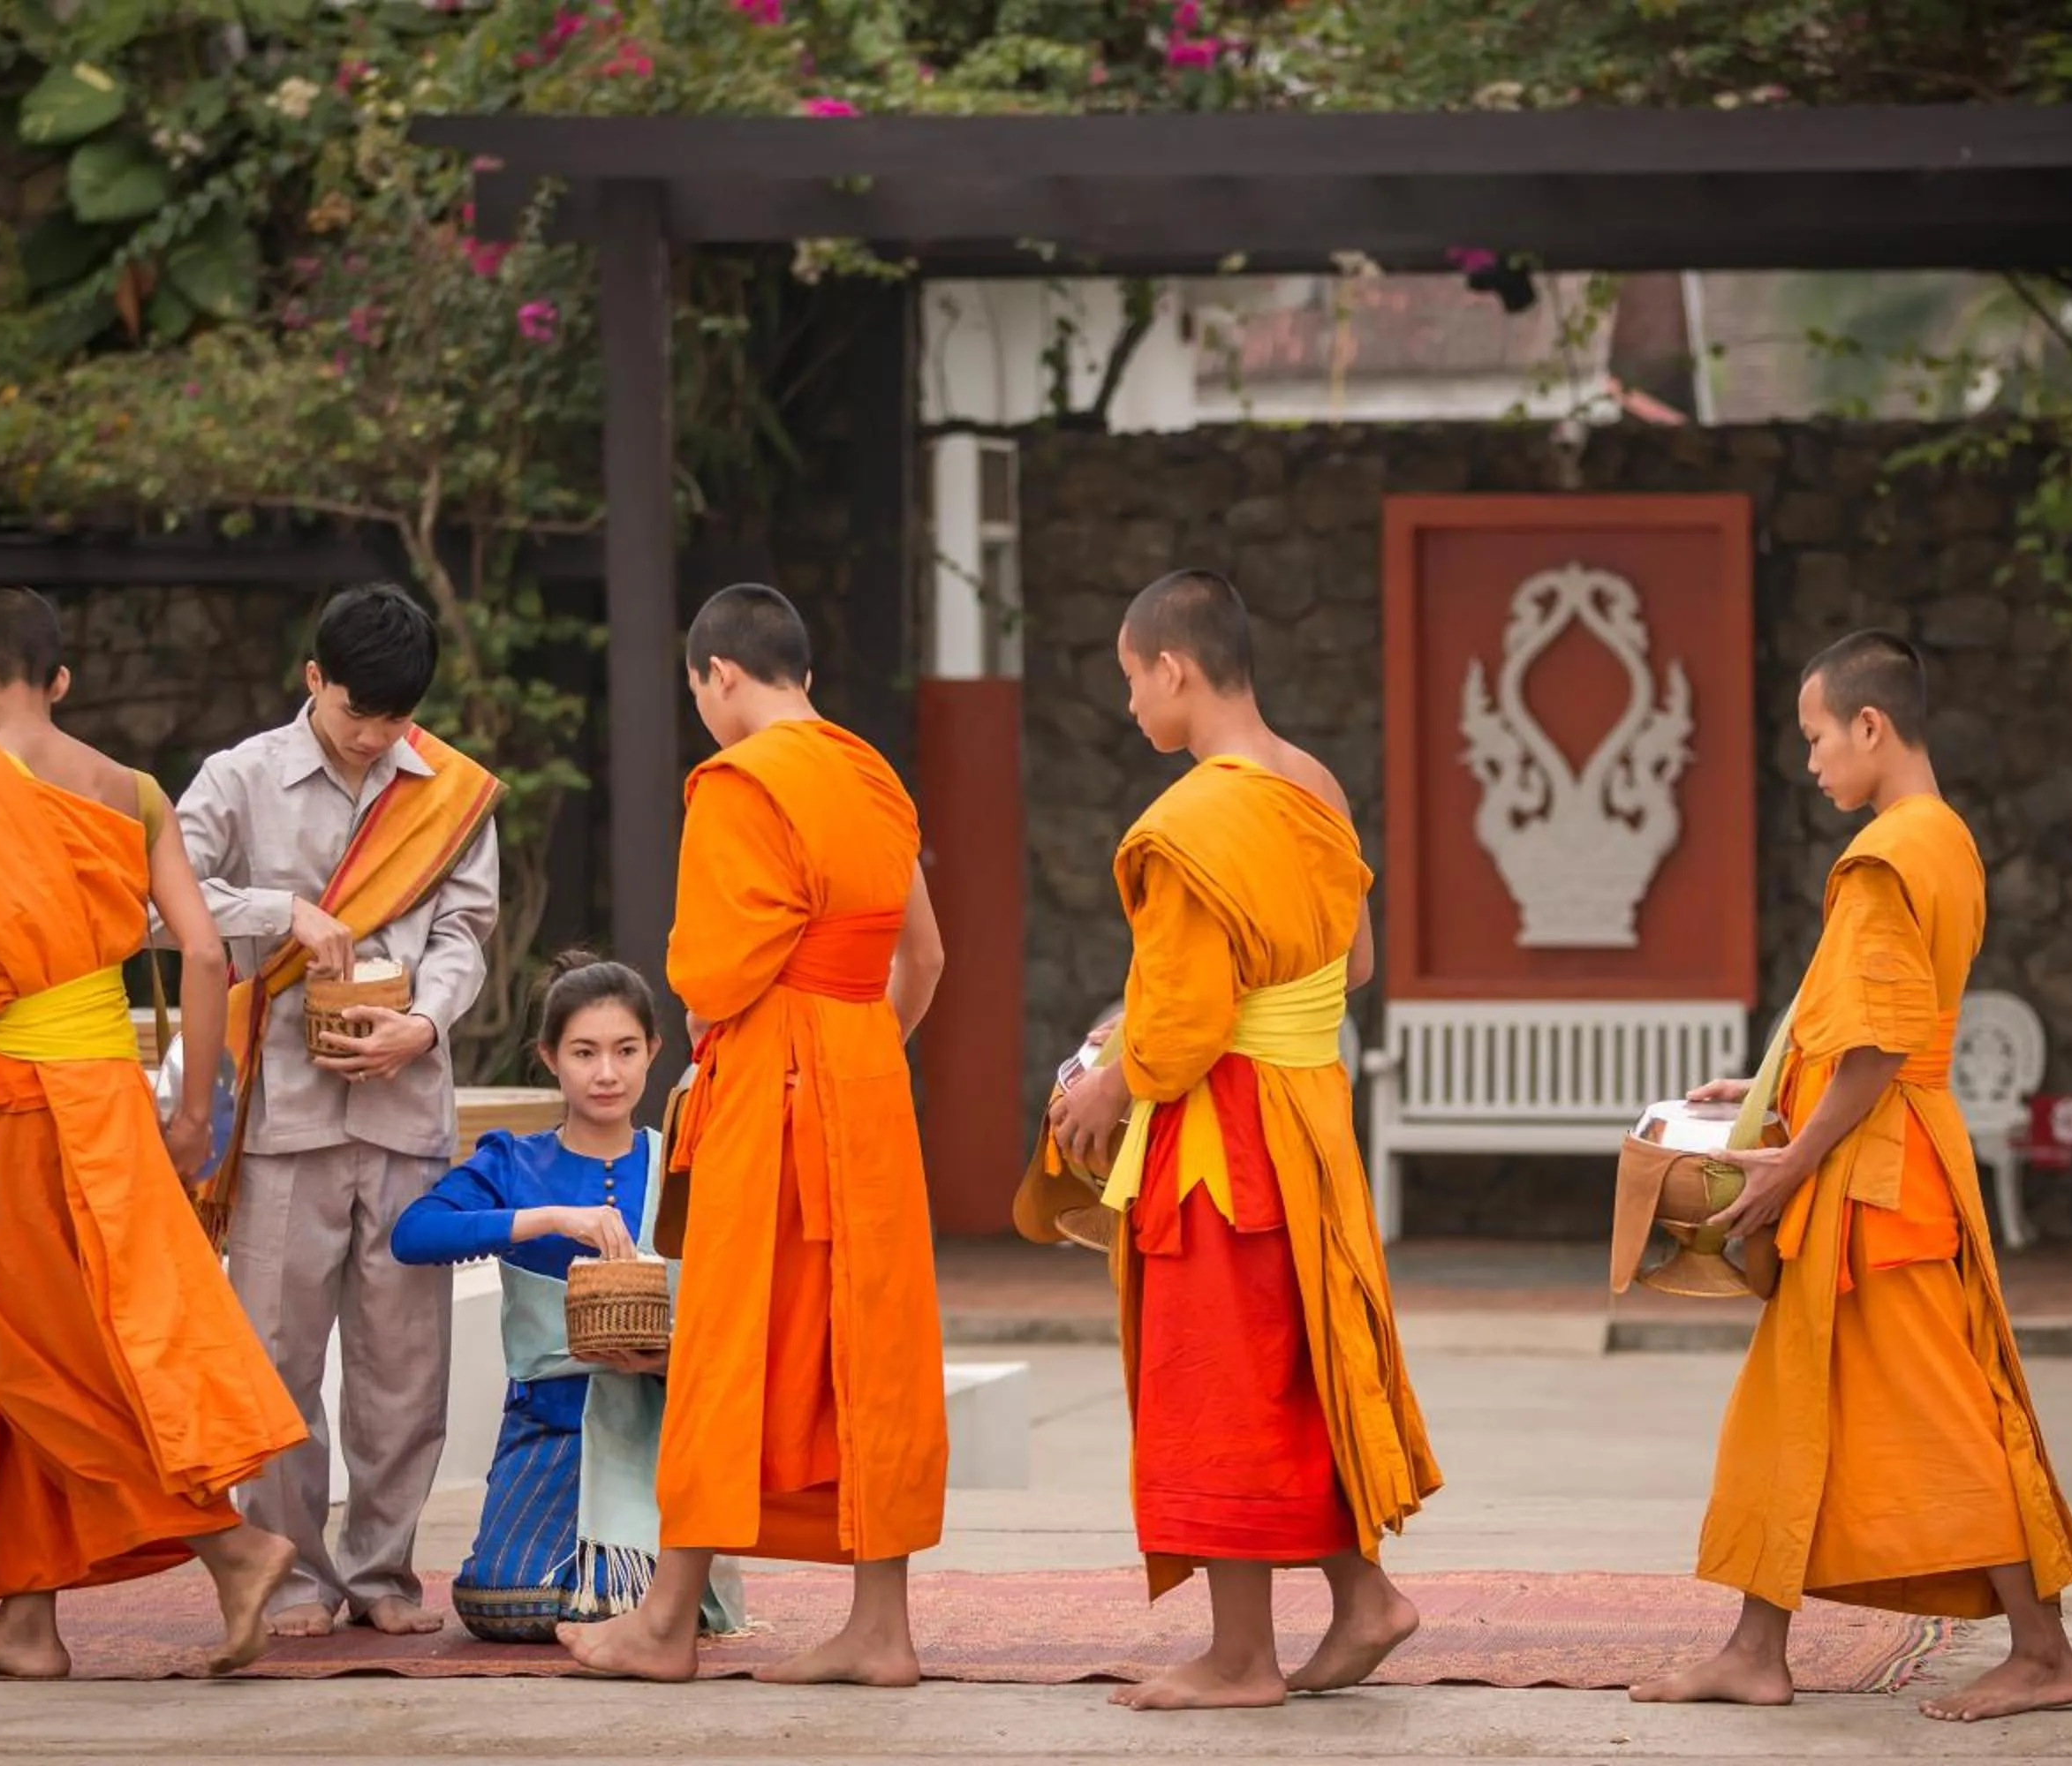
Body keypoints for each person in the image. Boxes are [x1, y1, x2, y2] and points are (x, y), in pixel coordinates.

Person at [1630, 630, 2072, 1724]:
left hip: (1879, 1175)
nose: (1812, 759)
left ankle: (2042, 1649)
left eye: (1818, 735)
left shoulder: (1886, 855)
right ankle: (1756, 1645)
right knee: (1793, 1407)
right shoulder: (1942, 839)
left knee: (1946, 1416)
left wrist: (1792, 1154)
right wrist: (1768, 1083)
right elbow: (1869, 1027)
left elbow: (1881, 1046)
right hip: (1884, 1150)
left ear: (1872, 726)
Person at [1044, 568, 1439, 1711]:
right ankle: (1363, 1597)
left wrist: (1111, 1080)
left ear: (1174, 669)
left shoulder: (1188, 822)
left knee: (1217, 1376)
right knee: (1290, 1367)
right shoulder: (1312, 785)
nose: (1129, 707)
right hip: (1307, 1118)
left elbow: (1188, 1026)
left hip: (1221, 1132)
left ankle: (1240, 1655)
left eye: (1131, 681)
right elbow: (1352, 966)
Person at [559, 583, 948, 1685]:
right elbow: (924, 958)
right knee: (869, 1351)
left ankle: (667, 1620)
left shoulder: (738, 781)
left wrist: (748, 1025)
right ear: (803, 673)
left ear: (718, 674)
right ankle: (882, 1628)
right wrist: (866, 1055)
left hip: (772, 1088)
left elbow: (710, 975)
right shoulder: (872, 772)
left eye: (700, 694)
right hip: (865, 1078)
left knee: (730, 1339)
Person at [0, 584, 305, 1679]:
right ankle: (24, 1618)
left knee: (33, 1364)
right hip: (111, 1095)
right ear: (56, 677)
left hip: (17, 1100)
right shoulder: (137, 789)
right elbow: (201, 954)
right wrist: (194, 1107)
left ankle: (232, 1546)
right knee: (90, 1341)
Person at [169, 583, 503, 1638]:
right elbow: (156, 894)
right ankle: (299, 1572)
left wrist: (429, 1021)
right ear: (314, 680)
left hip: (406, 1107)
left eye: (397, 721)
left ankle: (384, 1572)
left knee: (406, 1366)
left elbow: (468, 929)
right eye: (360, 715)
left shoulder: (447, 788)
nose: (376, 739)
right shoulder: (241, 778)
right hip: (282, 1118)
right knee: (277, 1357)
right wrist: (284, 913)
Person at [389, 953, 742, 1644]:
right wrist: (549, 1219)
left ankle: (647, 1598)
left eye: (624, 1050)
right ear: (550, 1057)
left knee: (619, 1599)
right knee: (501, 1603)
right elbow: (414, 1234)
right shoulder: (514, 1163)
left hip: (655, 1431)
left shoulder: (681, 1162)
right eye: (584, 1052)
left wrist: (663, 1359)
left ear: (654, 1053)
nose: (605, 1073)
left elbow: (728, 1302)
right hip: (548, 1428)